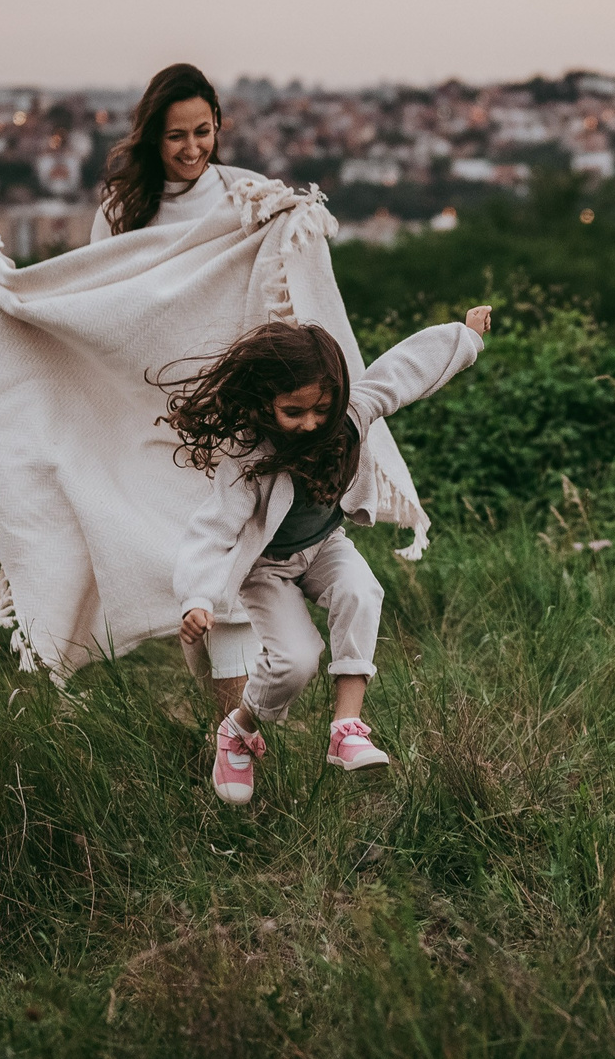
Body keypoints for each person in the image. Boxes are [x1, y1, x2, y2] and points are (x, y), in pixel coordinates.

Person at [159, 306, 495, 805]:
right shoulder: (249, 459)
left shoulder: (353, 413)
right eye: (294, 412)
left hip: (324, 547)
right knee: (297, 661)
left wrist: (464, 338)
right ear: (264, 404)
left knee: (362, 589)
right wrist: (197, 598)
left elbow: (404, 370)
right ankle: (237, 731)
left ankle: (347, 728)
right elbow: (211, 532)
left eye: (322, 409)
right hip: (266, 570)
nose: (311, 423)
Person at [94, 63, 270, 716]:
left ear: (219, 127)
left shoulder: (247, 194)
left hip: (237, 415)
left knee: (230, 582)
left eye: (203, 131)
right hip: (155, 418)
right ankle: (229, 723)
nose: (192, 148)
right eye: (176, 136)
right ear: (151, 136)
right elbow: (95, 303)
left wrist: (298, 218)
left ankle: (237, 750)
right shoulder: (121, 209)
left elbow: (284, 275)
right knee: (189, 589)